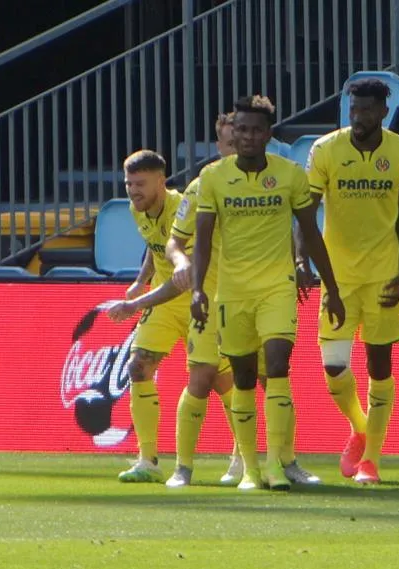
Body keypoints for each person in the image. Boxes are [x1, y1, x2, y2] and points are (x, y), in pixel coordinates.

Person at [109, 112, 321, 487]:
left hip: (239, 293)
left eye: (237, 138)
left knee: (257, 379)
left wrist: (299, 262)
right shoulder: (195, 190)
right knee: (154, 369)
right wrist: (142, 283)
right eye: (226, 141)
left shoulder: (233, 186)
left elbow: (276, 229)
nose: (232, 147)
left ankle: (268, 461)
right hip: (191, 297)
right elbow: (163, 243)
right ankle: (164, 463)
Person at [191, 95, 345, 491]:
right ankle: (250, 469)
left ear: (268, 134)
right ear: (233, 132)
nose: (248, 136)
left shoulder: (291, 175)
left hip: (277, 288)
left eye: (256, 129)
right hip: (232, 293)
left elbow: (310, 233)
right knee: (243, 378)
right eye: (241, 129)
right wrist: (197, 291)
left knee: (277, 365)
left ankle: (276, 465)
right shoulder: (213, 178)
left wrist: (332, 288)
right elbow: (204, 241)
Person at [299, 78, 399, 485]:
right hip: (338, 276)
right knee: (333, 367)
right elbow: (306, 212)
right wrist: (303, 261)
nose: (359, 117)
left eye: (367, 110)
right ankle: (361, 426)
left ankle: (371, 459)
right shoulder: (326, 150)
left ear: (384, 111)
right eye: (354, 110)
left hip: (383, 273)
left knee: (379, 364)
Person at [114, 150, 189, 483]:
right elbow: (153, 244)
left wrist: (135, 304)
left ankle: (239, 458)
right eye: (129, 183)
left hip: (201, 298)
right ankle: (148, 460)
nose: (133, 191)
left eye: (140, 183)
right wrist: (140, 280)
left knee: (218, 379)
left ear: (161, 180)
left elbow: (181, 274)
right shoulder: (137, 208)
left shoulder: (184, 209)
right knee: (138, 367)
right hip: (162, 297)